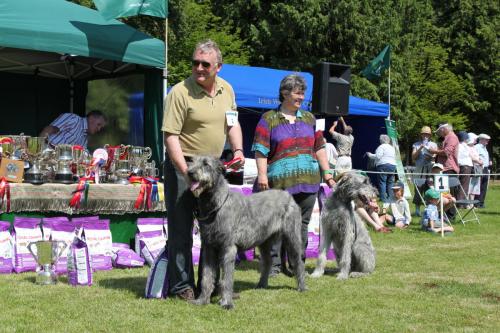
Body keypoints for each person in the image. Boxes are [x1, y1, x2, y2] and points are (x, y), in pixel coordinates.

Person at [161, 39, 245, 301]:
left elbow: (233, 124)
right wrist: (185, 170)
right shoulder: (179, 92)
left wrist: (239, 150)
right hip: (183, 166)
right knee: (181, 230)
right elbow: (171, 136)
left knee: (215, 231)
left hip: (214, 169)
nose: (198, 67)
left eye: (205, 64)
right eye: (195, 62)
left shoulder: (227, 90)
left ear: (218, 67)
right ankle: (181, 286)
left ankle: (210, 285)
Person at [252, 74, 334, 277]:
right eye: (298, 93)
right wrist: (262, 175)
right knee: (276, 224)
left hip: (309, 182)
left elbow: (320, 147)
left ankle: (297, 265)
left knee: (302, 226)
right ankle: (274, 266)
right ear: (284, 93)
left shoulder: (309, 118)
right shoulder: (268, 119)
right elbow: (260, 149)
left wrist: (328, 173)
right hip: (279, 182)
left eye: (303, 93)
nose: (301, 97)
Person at [39, 110, 107, 148]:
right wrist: (38, 149)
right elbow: (49, 129)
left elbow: (84, 157)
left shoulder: (84, 138)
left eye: (101, 127)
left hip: (60, 163)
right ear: (91, 118)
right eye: (99, 124)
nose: (99, 129)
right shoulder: (74, 119)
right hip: (47, 151)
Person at [411, 126, 438, 216]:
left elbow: (435, 157)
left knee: (429, 188)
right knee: (418, 189)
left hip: (430, 169)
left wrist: (430, 156)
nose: (425, 136)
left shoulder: (433, 144)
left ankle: (429, 209)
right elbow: (413, 157)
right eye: (424, 134)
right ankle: (417, 209)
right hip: (419, 170)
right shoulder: (416, 144)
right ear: (421, 135)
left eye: (427, 134)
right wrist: (420, 148)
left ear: (430, 135)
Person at [367, 134, 396, 205]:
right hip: (392, 165)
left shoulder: (381, 147)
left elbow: (378, 156)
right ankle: (390, 197)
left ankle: (383, 198)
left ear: (381, 140)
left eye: (380, 139)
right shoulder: (392, 147)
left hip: (383, 165)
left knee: (382, 182)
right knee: (390, 182)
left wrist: (370, 155)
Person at [474, 133, 491, 208]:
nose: (487, 141)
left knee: (484, 186)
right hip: (480, 167)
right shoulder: (477, 147)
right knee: (479, 185)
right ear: (481, 140)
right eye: (486, 140)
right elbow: (476, 157)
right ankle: (477, 202)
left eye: (488, 140)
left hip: (486, 168)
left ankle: (481, 202)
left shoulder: (484, 147)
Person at [456, 131, 473, 204]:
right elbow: (460, 157)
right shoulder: (460, 146)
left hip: (466, 166)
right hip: (464, 166)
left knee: (465, 185)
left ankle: (462, 202)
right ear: (463, 138)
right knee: (463, 185)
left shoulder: (464, 145)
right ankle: (460, 203)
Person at [467, 133, 482, 202]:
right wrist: (478, 161)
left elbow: (477, 156)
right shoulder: (466, 147)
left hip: (477, 169)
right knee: (469, 186)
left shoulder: (474, 147)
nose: (476, 141)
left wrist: (480, 161)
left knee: (475, 187)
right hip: (471, 168)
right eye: (475, 139)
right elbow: (470, 157)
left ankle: (472, 203)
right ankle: (467, 203)